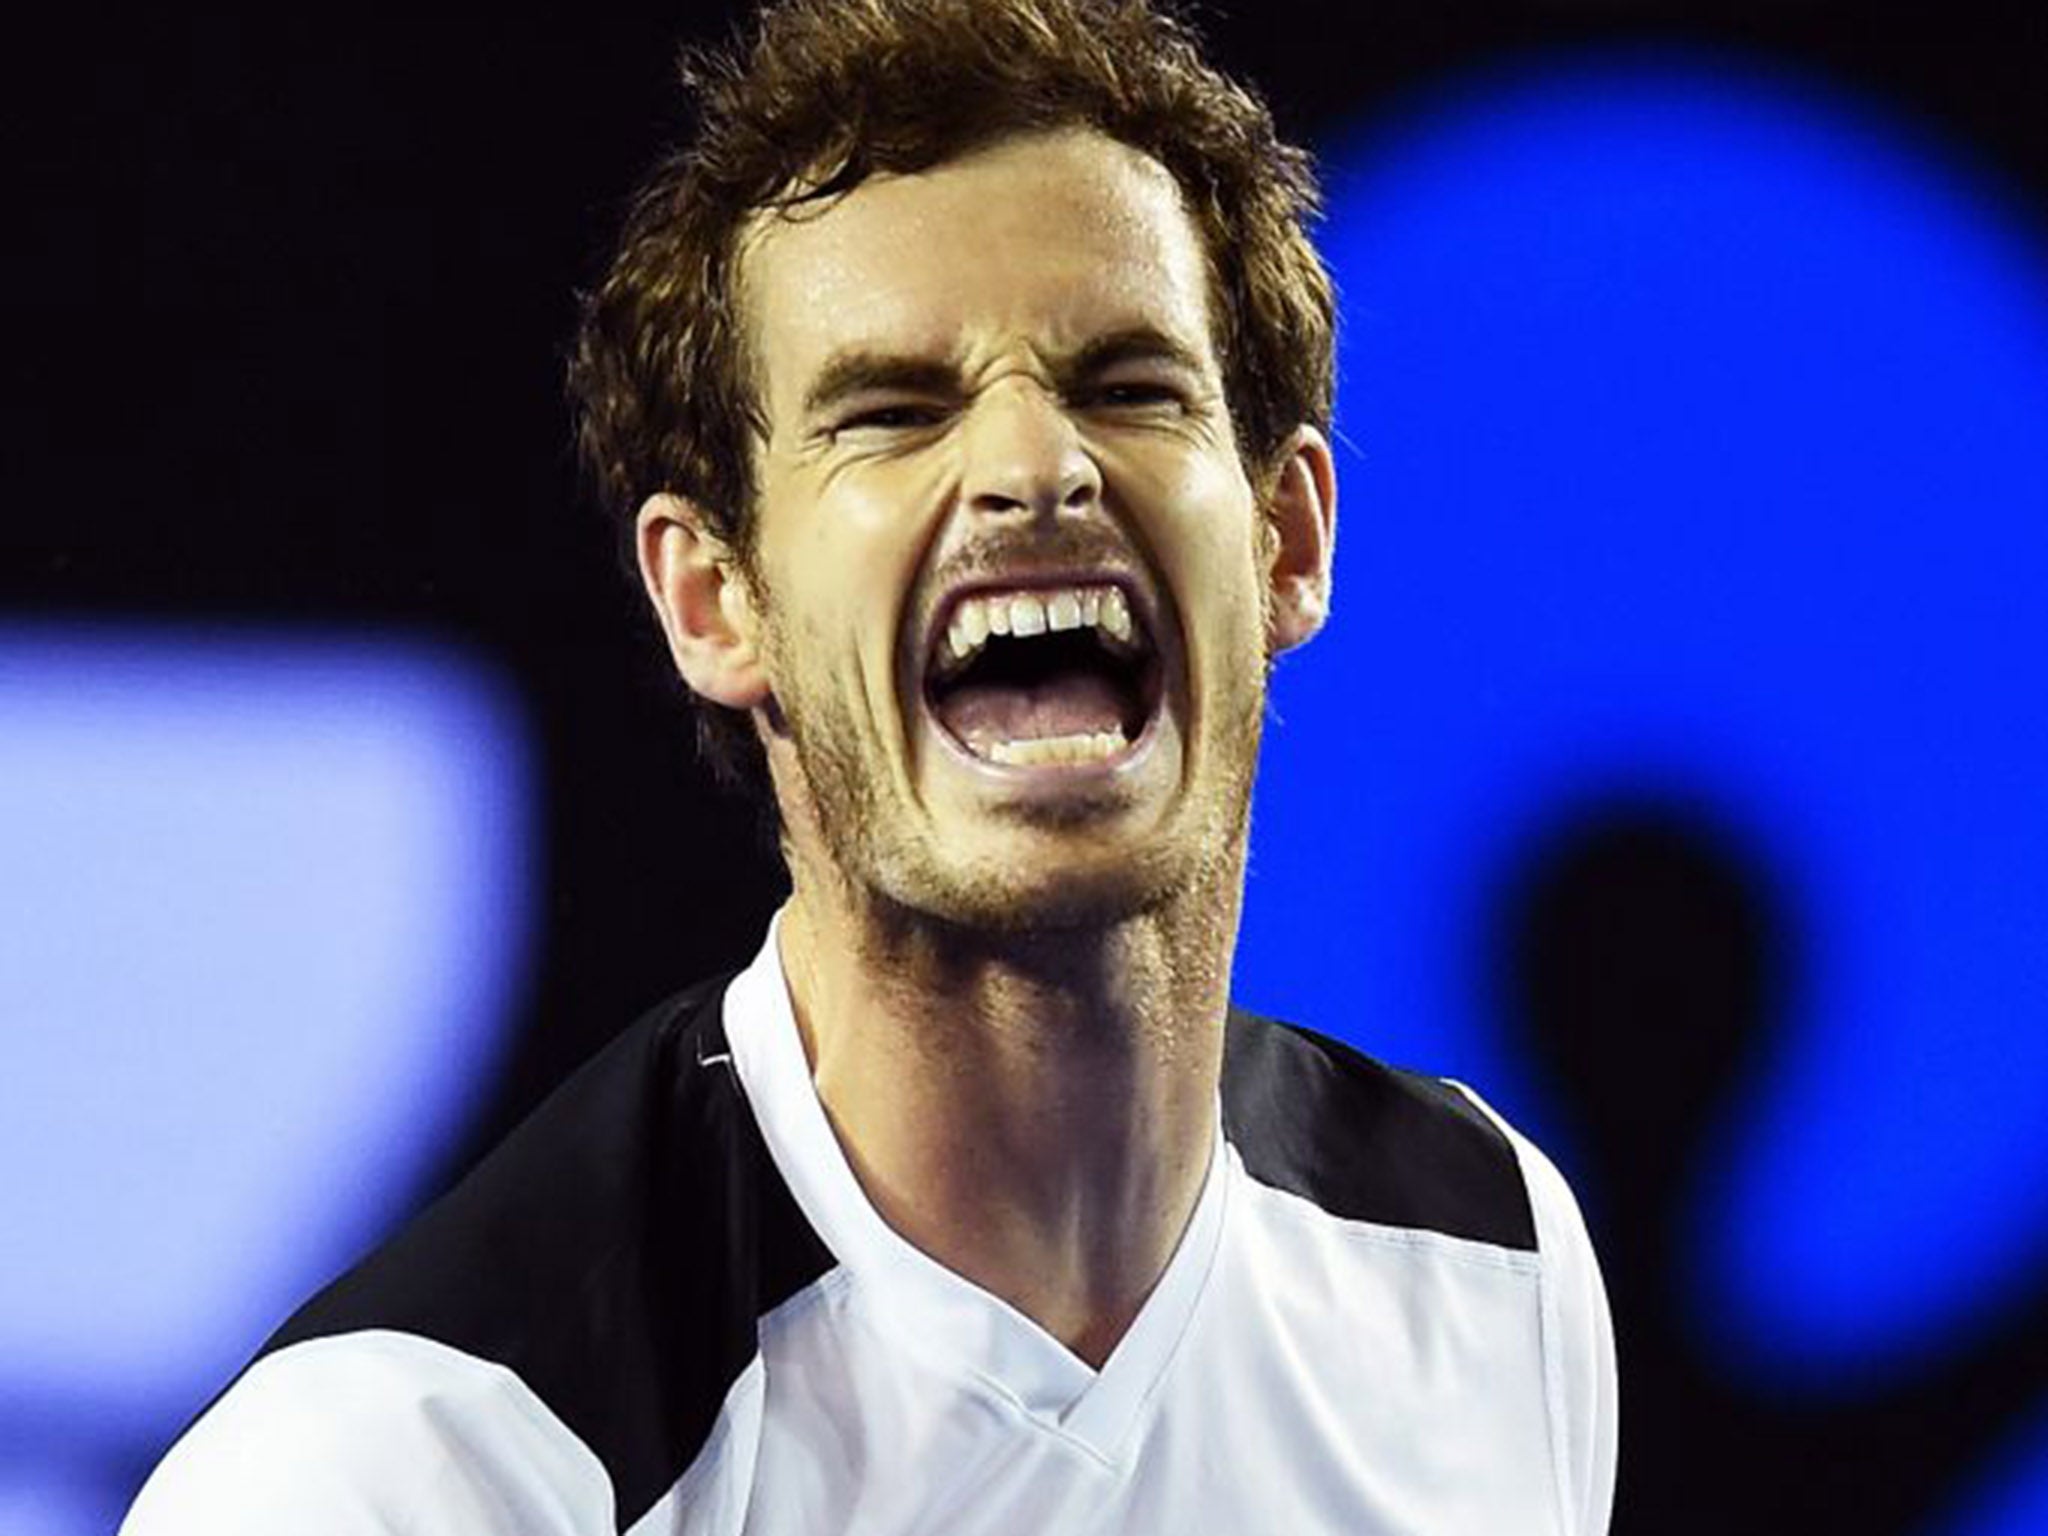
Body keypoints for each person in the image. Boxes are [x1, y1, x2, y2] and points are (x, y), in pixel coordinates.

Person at [124, 0, 1617, 1530]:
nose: (1036, 468)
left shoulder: (1491, 1262)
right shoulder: (404, 1471)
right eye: (893, 412)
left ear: (1288, 537)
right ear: (716, 600)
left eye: (1129, 385)